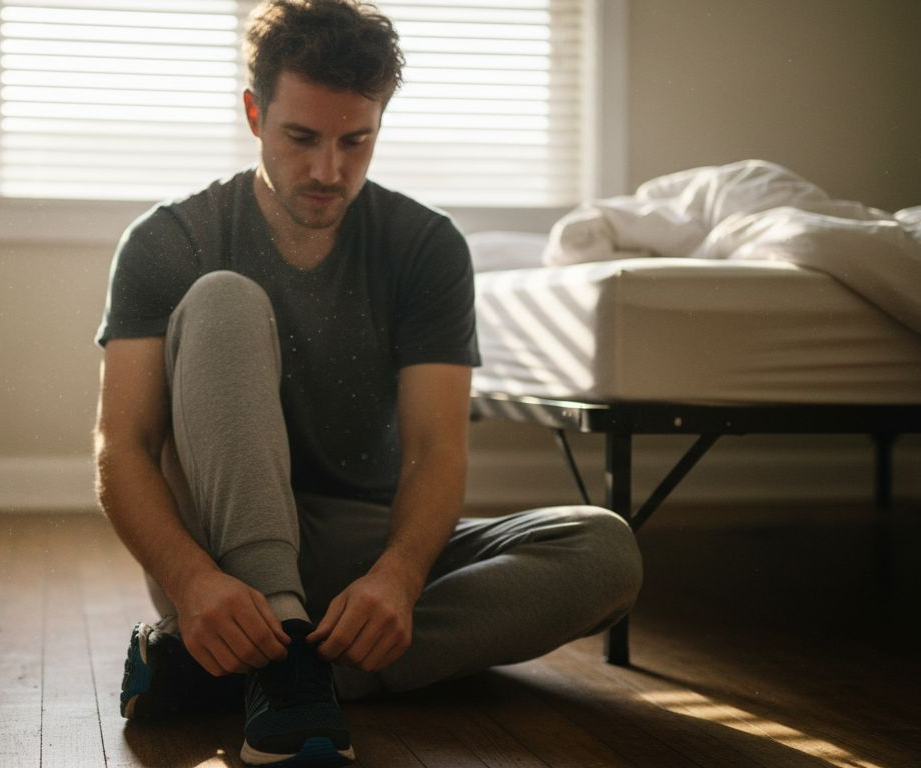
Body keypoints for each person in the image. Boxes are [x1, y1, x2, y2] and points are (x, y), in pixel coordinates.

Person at [92, 1, 643, 765]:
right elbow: (121, 447)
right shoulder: (168, 240)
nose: (328, 170)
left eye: (357, 141)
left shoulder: (426, 247)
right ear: (255, 115)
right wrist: (190, 584)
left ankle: (246, 670)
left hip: (363, 548)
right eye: (301, 138)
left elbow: (434, 449)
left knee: (606, 550)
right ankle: (277, 646)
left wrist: (400, 576)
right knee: (223, 297)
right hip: (223, 563)